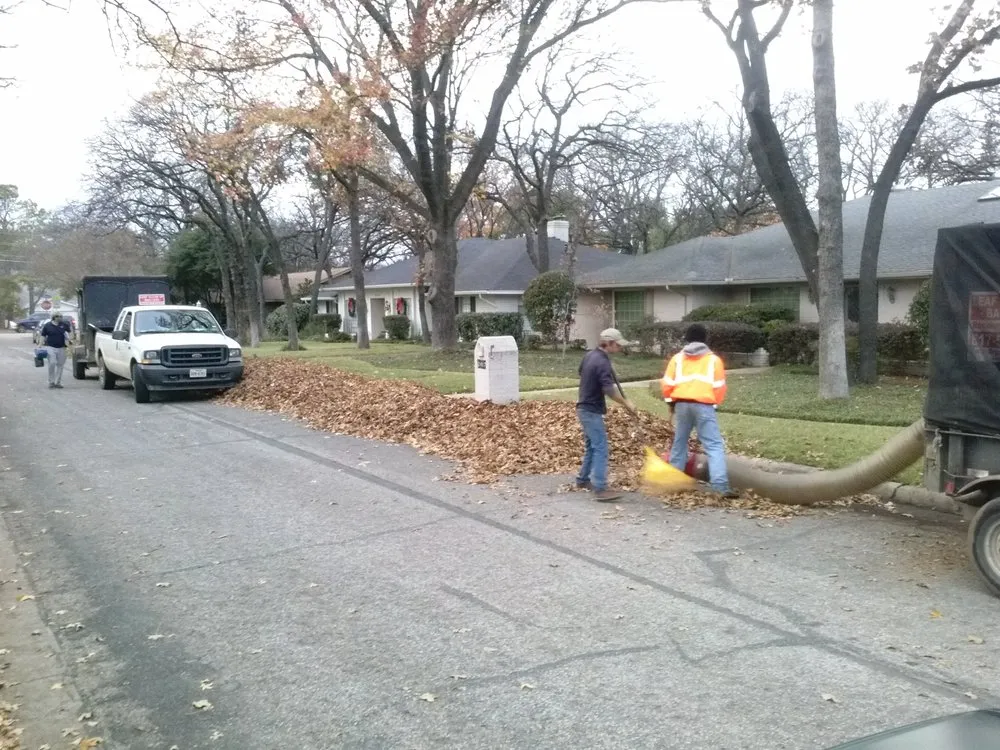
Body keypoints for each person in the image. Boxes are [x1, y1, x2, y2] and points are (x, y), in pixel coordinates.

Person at [661, 323, 736, 497]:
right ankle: (720, 486)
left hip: (681, 405)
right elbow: (719, 387)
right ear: (705, 339)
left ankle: (674, 482)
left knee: (680, 442)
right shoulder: (714, 360)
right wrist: (713, 404)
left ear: (687, 339)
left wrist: (671, 403)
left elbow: (667, 384)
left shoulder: (677, 359)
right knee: (713, 445)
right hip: (704, 405)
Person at [576, 328, 637, 502]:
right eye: (617, 345)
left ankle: (582, 479)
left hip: (583, 407)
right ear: (608, 343)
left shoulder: (590, 356)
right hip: (591, 410)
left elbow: (581, 372)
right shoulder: (602, 362)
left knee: (592, 446)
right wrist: (627, 403)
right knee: (601, 447)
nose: (620, 348)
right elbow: (609, 391)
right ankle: (600, 488)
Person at [39, 312, 71, 389]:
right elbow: (43, 335)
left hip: (62, 347)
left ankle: (57, 382)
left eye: (61, 316)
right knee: (52, 363)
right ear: (53, 317)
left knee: (60, 365)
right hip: (50, 347)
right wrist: (40, 344)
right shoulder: (48, 325)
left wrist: (70, 340)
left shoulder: (64, 325)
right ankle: (51, 382)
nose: (59, 318)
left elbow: (70, 332)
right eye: (57, 316)